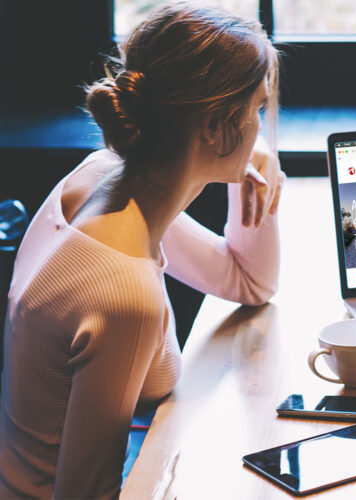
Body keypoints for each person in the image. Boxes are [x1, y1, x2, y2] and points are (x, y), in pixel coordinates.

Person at [0, 3, 284, 498]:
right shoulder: (126, 295)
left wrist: (252, 171)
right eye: (257, 111)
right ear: (214, 129)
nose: (262, 128)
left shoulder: (106, 178)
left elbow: (250, 283)